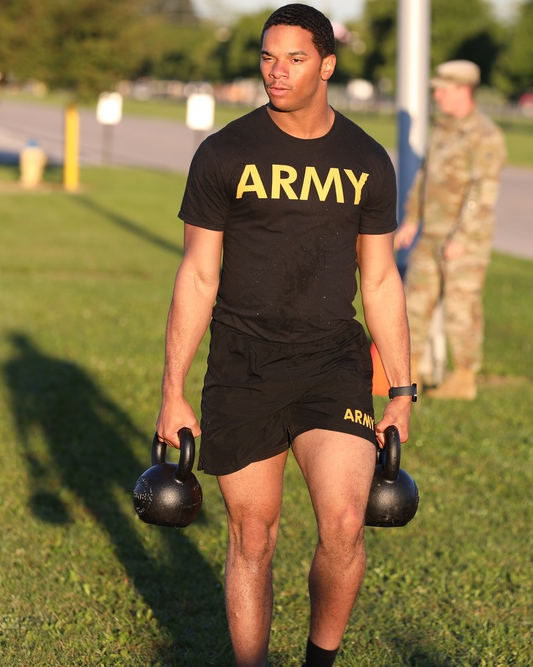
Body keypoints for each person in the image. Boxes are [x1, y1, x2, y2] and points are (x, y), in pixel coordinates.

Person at [155, 5, 414, 666]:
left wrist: (404, 388)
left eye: (295, 58)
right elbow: (197, 274)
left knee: (345, 523)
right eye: (269, 57)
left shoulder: (363, 159)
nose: (277, 71)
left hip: (332, 361)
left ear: (327, 64)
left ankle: (319, 661)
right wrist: (172, 392)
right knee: (252, 535)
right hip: (243, 364)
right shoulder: (225, 153)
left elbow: (381, 279)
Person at [393, 59, 508, 401]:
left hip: (465, 240)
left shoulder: (485, 135)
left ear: (462, 90)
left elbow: (483, 193)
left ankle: (463, 378)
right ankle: (409, 374)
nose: (437, 95)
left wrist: (461, 237)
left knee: (461, 309)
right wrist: (412, 218)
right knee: (414, 304)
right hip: (431, 234)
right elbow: (426, 178)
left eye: (443, 89)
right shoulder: (443, 129)